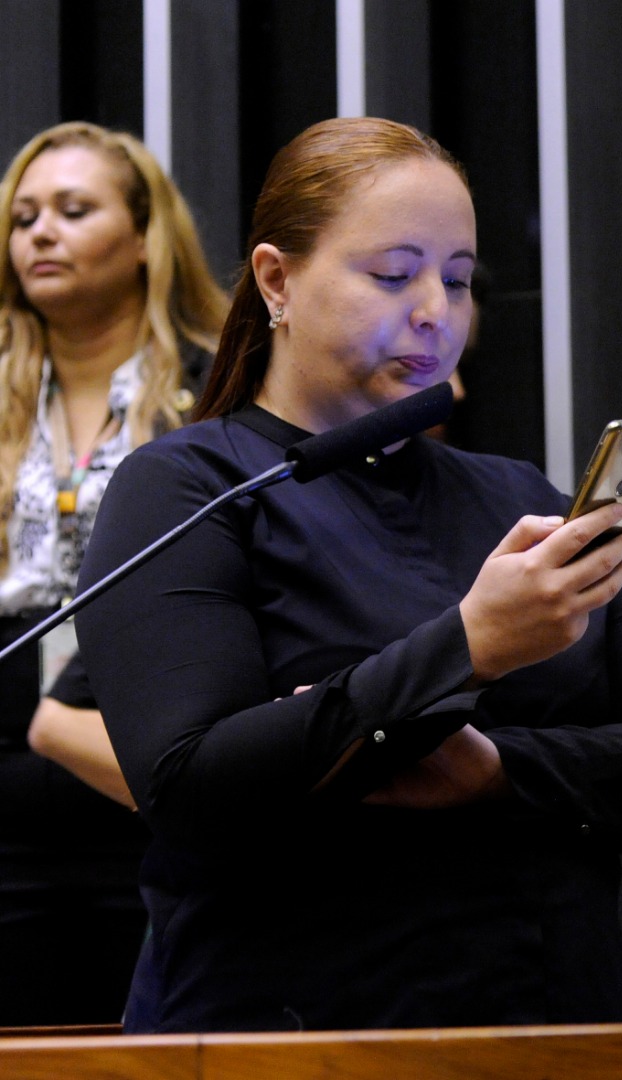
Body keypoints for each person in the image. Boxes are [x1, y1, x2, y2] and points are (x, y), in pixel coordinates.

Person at [74, 117, 622, 1033]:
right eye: (392, 274)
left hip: (548, 1018)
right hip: (295, 1028)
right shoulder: (187, 485)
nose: (434, 311)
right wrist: (469, 647)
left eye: (456, 279)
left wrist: (500, 772)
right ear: (276, 281)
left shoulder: (515, 494)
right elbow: (192, 790)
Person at [0, 121, 225, 1025]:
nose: (41, 234)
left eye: (73, 210)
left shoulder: (217, 392)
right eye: (24, 218)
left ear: (143, 239)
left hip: (150, 797)